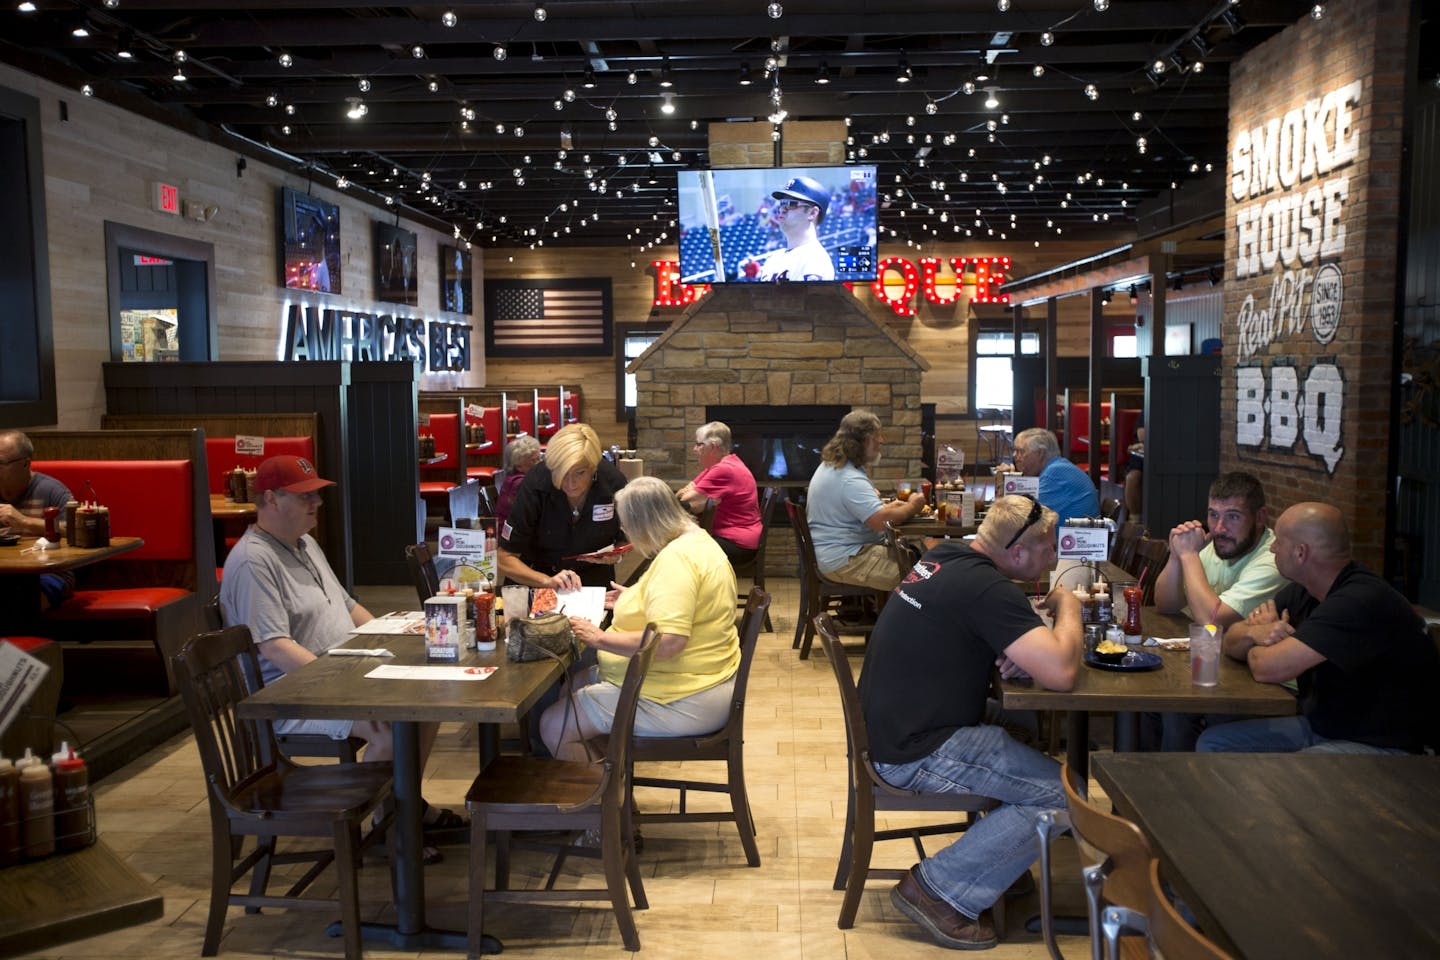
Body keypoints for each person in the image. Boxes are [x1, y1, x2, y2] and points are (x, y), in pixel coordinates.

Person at [859, 495, 1082, 950]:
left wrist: (1004, 648)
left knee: (1026, 734)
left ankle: (998, 863)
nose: (1054, 558)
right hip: (914, 749)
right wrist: (1069, 606)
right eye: (1047, 550)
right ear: (1018, 553)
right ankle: (937, 890)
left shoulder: (944, 556)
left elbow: (958, 629)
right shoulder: (986, 588)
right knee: (1065, 792)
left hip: (895, 727)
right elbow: (1062, 672)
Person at [219, 455, 462, 855]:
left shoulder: (305, 543)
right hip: (293, 694)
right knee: (387, 725)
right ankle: (390, 830)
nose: (315, 504)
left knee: (428, 700)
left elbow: (348, 605)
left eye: (316, 495)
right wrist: (342, 685)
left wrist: (396, 633)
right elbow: (274, 645)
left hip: (342, 669)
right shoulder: (252, 561)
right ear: (270, 500)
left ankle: (405, 809)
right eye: (303, 497)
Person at [1197, 502, 1440, 755]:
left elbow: (1267, 669)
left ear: (1300, 553)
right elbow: (1230, 641)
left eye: (1279, 541)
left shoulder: (1357, 601)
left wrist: (1261, 642)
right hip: (1324, 727)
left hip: (1389, 748)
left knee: (1302, 770)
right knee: (1213, 741)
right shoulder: (1305, 590)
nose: (1272, 547)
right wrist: (1253, 633)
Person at [539, 476, 740, 761]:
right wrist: (636, 598)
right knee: (574, 683)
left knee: (552, 725)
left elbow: (669, 643)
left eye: (627, 528)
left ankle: (606, 802)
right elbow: (683, 602)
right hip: (700, 679)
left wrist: (600, 638)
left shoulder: (677, 561)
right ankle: (612, 785)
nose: (627, 535)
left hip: (683, 695)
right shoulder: (699, 541)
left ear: (646, 523)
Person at [1146, 472, 1289, 750]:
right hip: (1215, 670)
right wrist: (1176, 557)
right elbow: (1166, 604)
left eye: (1233, 516)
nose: (1220, 527)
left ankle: (1177, 790)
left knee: (1175, 711)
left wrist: (1189, 556)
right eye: (1213, 515)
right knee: (1146, 700)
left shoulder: (1271, 560)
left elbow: (1212, 621)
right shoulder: (1217, 545)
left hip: (1259, 684)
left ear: (1260, 517)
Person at [498, 423, 628, 590]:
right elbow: (504, 557)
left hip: (594, 585)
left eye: (580, 473)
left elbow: (627, 537)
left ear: (594, 467)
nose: (570, 483)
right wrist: (546, 581)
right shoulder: (535, 484)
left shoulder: (613, 483)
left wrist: (617, 554)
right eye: (561, 473)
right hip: (538, 580)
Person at [806, 410, 925, 591]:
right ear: (865, 440)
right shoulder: (849, 478)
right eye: (877, 436)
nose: (881, 441)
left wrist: (887, 507)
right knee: (920, 576)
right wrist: (913, 506)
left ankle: (885, 614)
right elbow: (880, 522)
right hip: (845, 559)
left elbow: (868, 513)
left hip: (834, 554)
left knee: (914, 556)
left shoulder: (834, 465)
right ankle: (898, 619)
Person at [0, 429, 74, 610]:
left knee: (20, 597)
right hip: (4, 572)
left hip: (48, 573)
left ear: (26, 464)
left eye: (1, 463)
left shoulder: (52, 490)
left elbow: (76, 529)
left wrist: (24, 522)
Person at [677, 421, 762, 565]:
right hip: (733, 538)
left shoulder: (724, 469)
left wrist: (690, 493)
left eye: (699, 444)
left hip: (737, 544)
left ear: (713, 447)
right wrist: (690, 493)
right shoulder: (719, 466)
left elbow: (686, 502)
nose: (694, 449)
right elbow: (682, 494)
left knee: (678, 551)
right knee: (680, 547)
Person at [1011, 427, 1099, 526]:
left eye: (1021, 452)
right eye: (1014, 451)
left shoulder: (1055, 473)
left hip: (1074, 538)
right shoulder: (1057, 467)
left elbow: (1019, 516)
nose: (1015, 456)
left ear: (1040, 453)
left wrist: (1007, 484)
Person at [755, 175, 836, 281]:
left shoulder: (816, 259)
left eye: (791, 204)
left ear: (812, 213)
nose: (782, 210)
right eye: (782, 203)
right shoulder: (773, 260)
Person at [494, 434, 542, 533]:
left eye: (540, 458)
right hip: (511, 537)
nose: (540, 463)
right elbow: (533, 514)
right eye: (534, 460)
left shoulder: (514, 479)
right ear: (519, 466)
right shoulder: (520, 484)